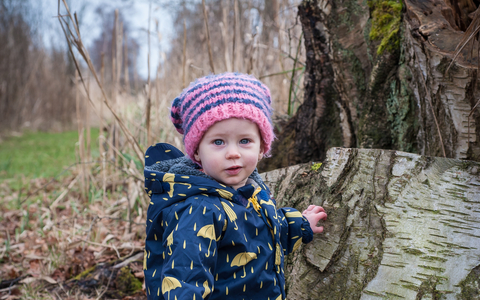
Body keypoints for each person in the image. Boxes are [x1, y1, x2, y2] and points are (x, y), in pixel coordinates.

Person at [143, 72, 327, 300]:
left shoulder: (249, 191)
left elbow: (259, 233)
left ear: (261, 148)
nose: (233, 153)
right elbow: (185, 282)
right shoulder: (197, 209)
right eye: (218, 142)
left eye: (245, 141)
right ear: (197, 151)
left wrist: (297, 225)